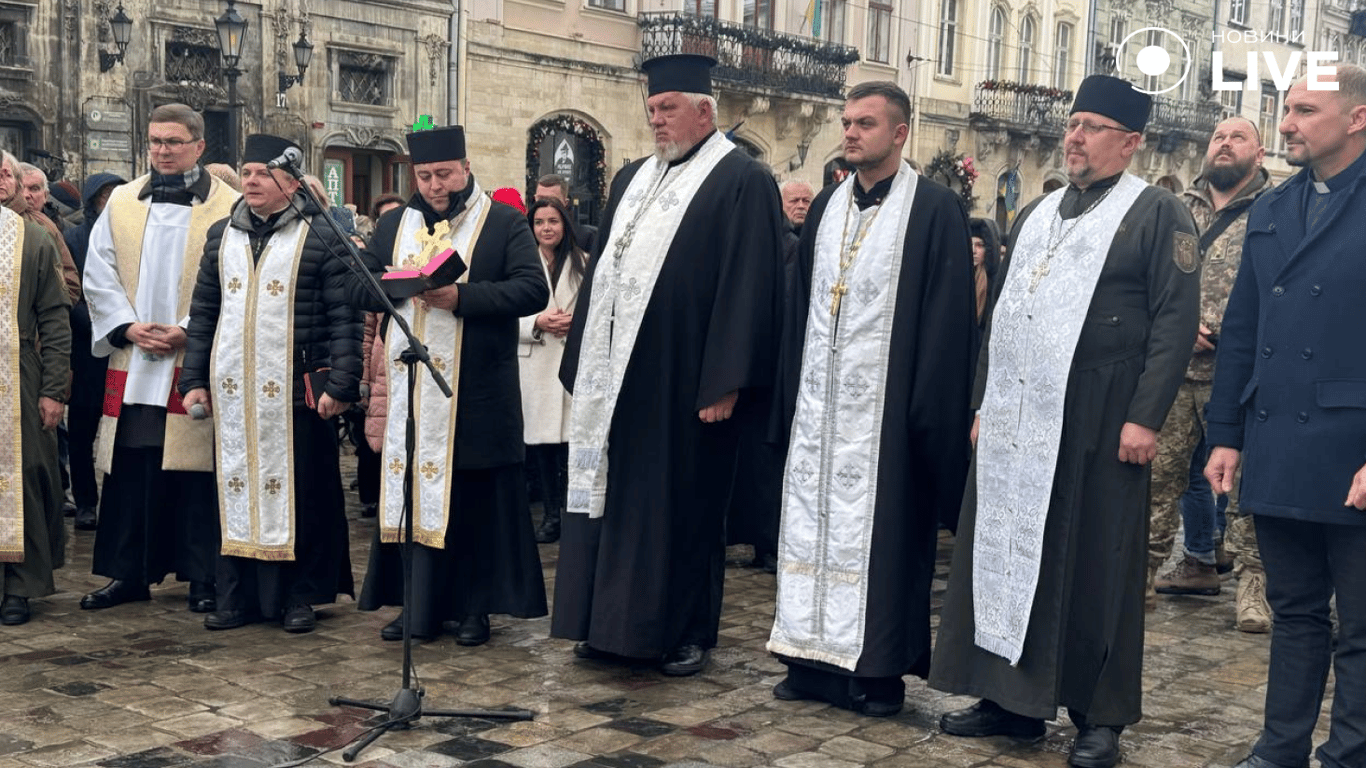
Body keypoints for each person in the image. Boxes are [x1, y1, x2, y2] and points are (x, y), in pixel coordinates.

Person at [929, 75, 1200, 768]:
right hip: (1019, 420)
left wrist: (1146, 418)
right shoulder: (1040, 212)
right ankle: (1006, 699)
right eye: (1073, 123)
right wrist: (985, 403)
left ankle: (1098, 715)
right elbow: (1004, 318)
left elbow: (1173, 323)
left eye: (1093, 127)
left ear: (1130, 142)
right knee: (1006, 552)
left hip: (1102, 418)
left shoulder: (1158, 214)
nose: (1074, 137)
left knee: (1095, 566)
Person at [553, 54, 783, 676]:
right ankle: (606, 625)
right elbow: (601, 272)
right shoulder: (630, 177)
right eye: (651, 109)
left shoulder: (741, 178)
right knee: (614, 499)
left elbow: (749, 285)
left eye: (668, 109)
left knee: (680, 504)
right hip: (617, 379)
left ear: (705, 112)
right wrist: (581, 362)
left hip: (686, 380)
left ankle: (682, 631)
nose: (656, 119)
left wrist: (726, 379)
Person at [765, 81, 975, 717]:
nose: (850, 133)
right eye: (847, 122)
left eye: (865, 124)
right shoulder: (828, 205)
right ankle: (808, 660)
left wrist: (927, 415)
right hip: (819, 411)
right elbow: (798, 303)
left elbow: (947, 320)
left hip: (889, 414)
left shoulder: (934, 209)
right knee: (811, 528)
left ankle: (876, 671)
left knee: (884, 543)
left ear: (900, 133)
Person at [1205, 65, 1366, 768]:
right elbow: (1242, 331)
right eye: (1286, 108)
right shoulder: (1271, 209)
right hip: (1277, 438)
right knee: (1295, 611)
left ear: (1357, 118)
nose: (1287, 124)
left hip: (1352, 447)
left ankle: (1351, 754)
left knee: (1362, 624)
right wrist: (1225, 437)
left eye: (1304, 109)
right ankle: (1280, 748)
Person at [350, 124, 549, 646]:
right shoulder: (395, 225)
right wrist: (393, 284)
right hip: (411, 391)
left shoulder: (503, 222)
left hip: (476, 393)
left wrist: (459, 298)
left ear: (464, 168)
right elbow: (357, 282)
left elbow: (531, 289)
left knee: (473, 503)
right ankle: (415, 607)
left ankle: (472, 609)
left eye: (444, 174)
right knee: (412, 498)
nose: (436, 185)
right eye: (425, 175)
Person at [180, 134, 361, 633]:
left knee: (305, 492)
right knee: (236, 488)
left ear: (291, 180)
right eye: (248, 172)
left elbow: (342, 316)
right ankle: (236, 595)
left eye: (264, 172)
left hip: (298, 392)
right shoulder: (222, 235)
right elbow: (203, 314)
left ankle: (301, 595)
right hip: (236, 392)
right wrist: (193, 379)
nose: (252, 181)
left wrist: (342, 383)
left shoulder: (320, 233)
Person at [80, 103, 239, 614]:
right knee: (130, 466)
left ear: (199, 145)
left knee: (194, 472)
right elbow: (97, 272)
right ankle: (127, 574)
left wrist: (188, 331)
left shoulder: (229, 206)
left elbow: (236, 281)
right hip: (134, 359)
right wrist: (127, 326)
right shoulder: (123, 201)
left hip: (193, 357)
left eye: (173, 141)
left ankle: (202, 576)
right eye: (154, 142)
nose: (162, 151)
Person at [1149, 117, 1270, 630]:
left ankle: (1253, 590)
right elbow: (1153, 277)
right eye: (1218, 137)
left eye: (1237, 137)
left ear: (1259, 153)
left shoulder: (1276, 209)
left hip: (1240, 374)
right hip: (1176, 371)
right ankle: (1138, 574)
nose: (1224, 143)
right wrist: (1172, 326)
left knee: (1245, 488)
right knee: (1157, 481)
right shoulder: (1177, 208)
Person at [0, 169, 72, 626]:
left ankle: (20, 586)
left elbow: (55, 319)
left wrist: (53, 390)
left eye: (3, 173)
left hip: (18, 373)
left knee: (24, 475)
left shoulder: (35, 240)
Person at [519, 198, 586, 544]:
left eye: (553, 221)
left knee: (571, 448)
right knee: (543, 448)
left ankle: (573, 515)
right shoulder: (521, 262)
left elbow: (599, 309)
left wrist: (577, 324)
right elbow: (504, 313)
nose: (547, 228)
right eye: (540, 222)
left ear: (565, 225)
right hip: (536, 362)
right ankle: (549, 515)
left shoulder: (583, 263)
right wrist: (537, 321)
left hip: (571, 360)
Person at [62, 172, 126, 532]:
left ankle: (118, 502)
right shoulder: (74, 238)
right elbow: (69, 294)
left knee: (117, 431)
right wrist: (105, 322)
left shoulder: (130, 233)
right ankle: (87, 501)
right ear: (93, 200)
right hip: (88, 356)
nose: (111, 200)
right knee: (83, 432)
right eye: (105, 195)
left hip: (121, 355)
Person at [1, 154, 80, 305]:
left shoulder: (59, 229)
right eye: (21, 188)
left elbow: (70, 284)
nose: (26, 195)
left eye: (34, 188)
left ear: (46, 196)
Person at [534, 174, 596, 254]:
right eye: (540, 199)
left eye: (552, 200)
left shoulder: (584, 239)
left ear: (565, 202)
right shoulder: (525, 235)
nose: (545, 204)